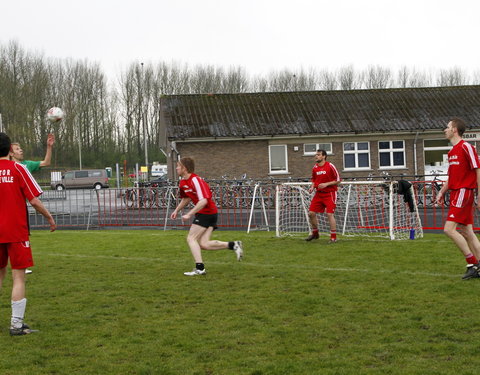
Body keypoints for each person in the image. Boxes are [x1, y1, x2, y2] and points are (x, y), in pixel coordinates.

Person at [0, 132, 56, 335]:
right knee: (18, 277)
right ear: (9, 150)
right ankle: (16, 325)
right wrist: (49, 217)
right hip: (16, 231)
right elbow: (33, 200)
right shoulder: (18, 169)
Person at [170, 157, 244, 276]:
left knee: (191, 238)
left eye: (178, 166)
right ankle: (234, 245)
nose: (177, 167)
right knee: (204, 244)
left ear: (185, 168)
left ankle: (200, 268)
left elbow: (203, 201)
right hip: (207, 213)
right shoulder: (183, 182)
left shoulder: (196, 180)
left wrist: (189, 214)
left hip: (207, 212)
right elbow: (186, 198)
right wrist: (176, 210)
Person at [436, 118, 480, 280]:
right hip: (456, 192)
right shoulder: (452, 151)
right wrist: (442, 191)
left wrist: (479, 194)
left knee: (449, 229)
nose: (444, 130)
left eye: (447, 127)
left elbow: (478, 170)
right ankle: (478, 266)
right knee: (467, 231)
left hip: (464, 191)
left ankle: (471, 263)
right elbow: (452, 176)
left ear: (454, 129)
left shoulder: (466, 147)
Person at [9, 134, 54, 274]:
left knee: (22, 234)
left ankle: (21, 264)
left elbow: (46, 162)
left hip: (21, 205)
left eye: (20, 148)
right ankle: (20, 265)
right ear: (10, 152)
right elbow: (34, 199)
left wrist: (49, 146)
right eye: (17, 149)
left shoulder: (27, 164)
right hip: (13, 206)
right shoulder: (11, 166)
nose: (21, 150)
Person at [305, 149, 341, 243]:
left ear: (324, 156)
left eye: (318, 155)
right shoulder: (315, 167)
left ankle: (333, 237)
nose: (316, 156)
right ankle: (315, 233)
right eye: (316, 155)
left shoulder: (330, 166)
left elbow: (338, 180)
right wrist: (312, 187)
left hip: (330, 194)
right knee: (311, 213)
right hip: (319, 194)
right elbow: (314, 179)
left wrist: (326, 184)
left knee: (329, 214)